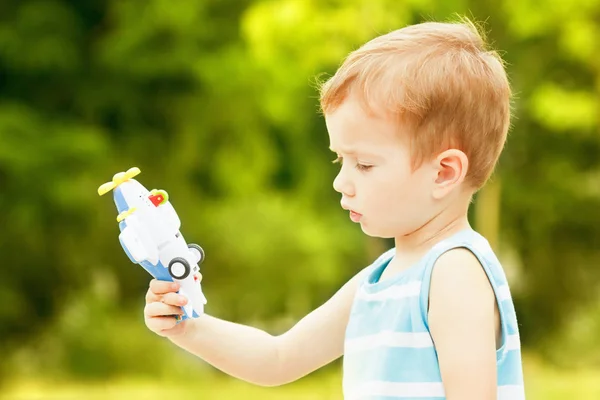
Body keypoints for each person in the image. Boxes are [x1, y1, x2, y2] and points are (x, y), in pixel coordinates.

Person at [143, 18, 525, 400]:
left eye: (364, 164)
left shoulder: (454, 272)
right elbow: (279, 358)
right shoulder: (378, 280)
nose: (341, 182)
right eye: (338, 160)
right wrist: (188, 328)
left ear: (443, 172)